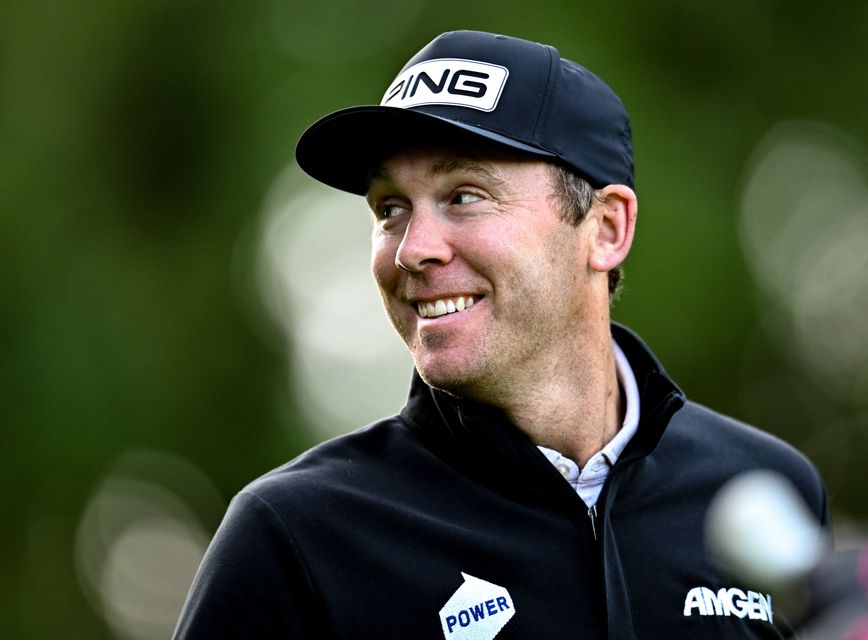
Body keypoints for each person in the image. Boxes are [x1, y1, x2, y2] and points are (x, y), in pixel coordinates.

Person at [174, 30, 830, 639]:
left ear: (606, 229)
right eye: (390, 208)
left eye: (464, 195)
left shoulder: (764, 489)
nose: (412, 250)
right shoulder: (296, 537)